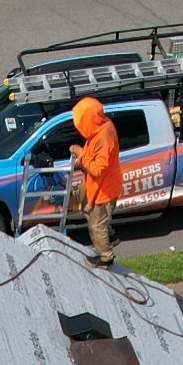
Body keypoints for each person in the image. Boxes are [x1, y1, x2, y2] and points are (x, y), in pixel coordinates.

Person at [69, 96, 123, 263]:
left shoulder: (103, 138)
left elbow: (98, 170)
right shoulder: (101, 126)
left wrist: (79, 153)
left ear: (88, 119)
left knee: (96, 225)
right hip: (96, 186)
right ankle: (109, 235)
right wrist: (82, 160)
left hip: (103, 190)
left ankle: (106, 256)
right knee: (85, 207)